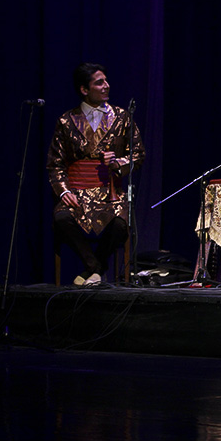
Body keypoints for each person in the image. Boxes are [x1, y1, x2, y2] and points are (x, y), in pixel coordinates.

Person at [47, 62, 145, 285]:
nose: (106, 86)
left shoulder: (121, 117)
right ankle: (95, 268)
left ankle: (91, 271)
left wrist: (118, 162)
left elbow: (138, 154)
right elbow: (55, 163)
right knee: (62, 218)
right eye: (99, 83)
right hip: (77, 191)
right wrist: (64, 191)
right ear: (84, 89)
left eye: (106, 81)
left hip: (109, 192)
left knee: (120, 226)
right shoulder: (66, 121)